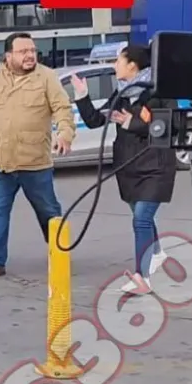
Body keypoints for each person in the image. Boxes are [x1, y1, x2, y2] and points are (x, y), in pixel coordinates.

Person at [0, 32, 76, 281]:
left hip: (35, 162)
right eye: (23, 51)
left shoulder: (46, 77)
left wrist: (65, 134)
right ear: (8, 56)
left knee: (49, 211)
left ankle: (59, 255)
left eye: (32, 50)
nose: (29, 55)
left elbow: (62, 109)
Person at [70, 44, 174, 295]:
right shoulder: (122, 93)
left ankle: (142, 278)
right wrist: (82, 96)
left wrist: (132, 122)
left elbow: (167, 126)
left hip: (155, 165)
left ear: (132, 65)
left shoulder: (158, 92)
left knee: (141, 218)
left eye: (118, 60)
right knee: (142, 216)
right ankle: (157, 252)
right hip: (128, 166)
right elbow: (95, 120)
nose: (114, 65)